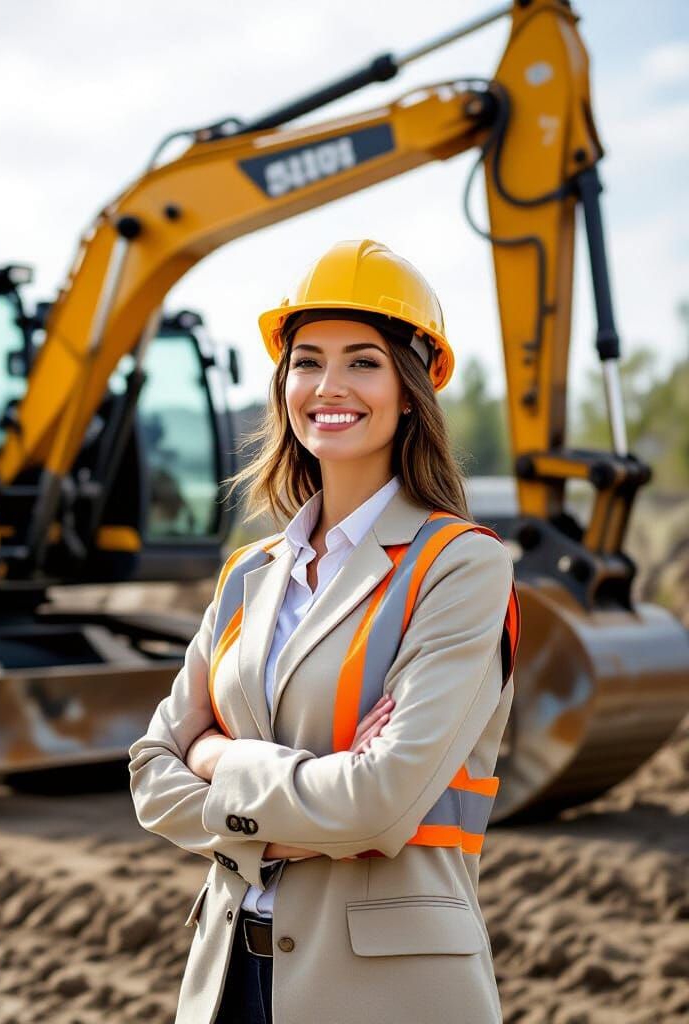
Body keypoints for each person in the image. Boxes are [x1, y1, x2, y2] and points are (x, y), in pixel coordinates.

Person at [128, 239, 521, 1024]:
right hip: (227, 982)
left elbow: (378, 805)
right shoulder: (248, 573)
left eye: (363, 362)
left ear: (412, 390)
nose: (329, 386)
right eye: (307, 361)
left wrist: (218, 758)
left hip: (386, 992)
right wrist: (308, 812)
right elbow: (149, 775)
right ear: (283, 385)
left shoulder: (460, 568)